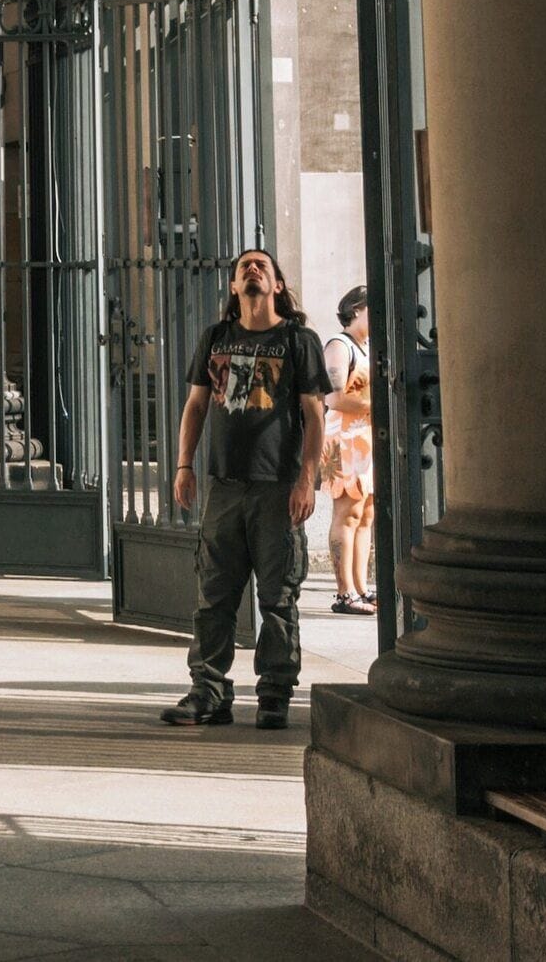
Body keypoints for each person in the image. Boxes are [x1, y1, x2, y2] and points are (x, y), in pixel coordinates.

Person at [165, 246, 335, 729]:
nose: (253, 270)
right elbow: (196, 407)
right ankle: (209, 692)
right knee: (214, 595)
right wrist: (184, 465)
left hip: (276, 488)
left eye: (262, 265)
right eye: (244, 268)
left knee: (277, 598)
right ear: (235, 287)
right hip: (224, 486)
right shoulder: (216, 338)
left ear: (277, 285)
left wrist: (307, 479)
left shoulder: (298, 340)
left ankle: (275, 693)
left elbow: (314, 415)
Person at [321, 289, 378, 616]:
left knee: (365, 513)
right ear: (357, 309)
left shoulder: (366, 347)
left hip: (363, 435)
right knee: (347, 512)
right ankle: (345, 592)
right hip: (342, 436)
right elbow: (335, 396)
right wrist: (376, 405)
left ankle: (361, 586)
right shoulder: (339, 345)